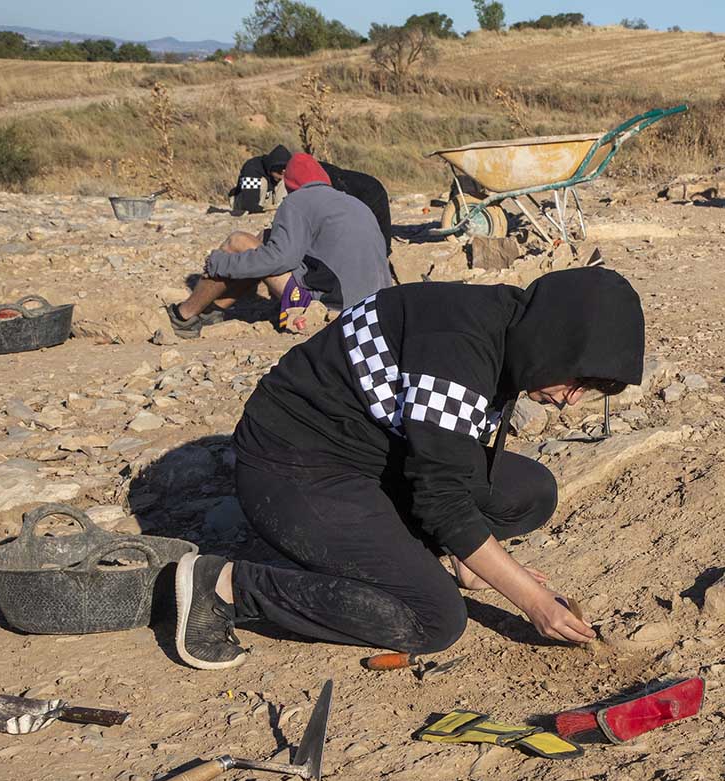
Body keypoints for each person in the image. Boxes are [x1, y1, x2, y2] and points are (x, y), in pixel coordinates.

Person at [171, 267, 644, 670]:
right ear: (557, 340)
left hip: (373, 452)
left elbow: (448, 455)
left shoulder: (510, 327)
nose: (570, 400)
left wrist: (470, 563)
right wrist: (533, 601)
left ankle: (425, 555)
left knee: (529, 491)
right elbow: (442, 498)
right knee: (434, 619)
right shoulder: (459, 347)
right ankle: (228, 586)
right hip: (294, 469)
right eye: (576, 380)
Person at [167, 153, 392, 339]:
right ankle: (214, 311)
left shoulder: (298, 201)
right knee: (266, 238)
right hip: (375, 305)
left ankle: (184, 316)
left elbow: (280, 259)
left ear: (290, 184)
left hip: (331, 307)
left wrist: (220, 263)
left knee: (238, 242)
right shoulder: (351, 202)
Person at [229, 144, 393, 257]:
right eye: (280, 171)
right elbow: (249, 203)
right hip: (243, 199)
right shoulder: (253, 169)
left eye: (286, 171)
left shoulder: (331, 184)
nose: (282, 174)